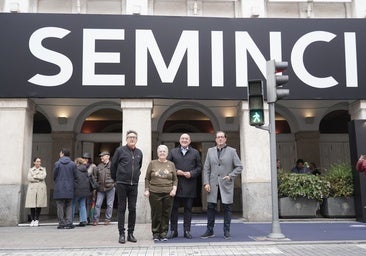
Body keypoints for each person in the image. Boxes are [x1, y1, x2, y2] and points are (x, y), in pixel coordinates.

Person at [201, 131, 243, 239]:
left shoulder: (232, 151)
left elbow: (239, 166)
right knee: (211, 208)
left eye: (222, 137)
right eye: (218, 137)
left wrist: (231, 175)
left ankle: (226, 231)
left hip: (226, 184)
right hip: (213, 185)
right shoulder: (210, 151)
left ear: (225, 139)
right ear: (215, 139)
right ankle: (210, 231)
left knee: (227, 208)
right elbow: (206, 168)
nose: (220, 139)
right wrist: (206, 182)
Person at [167, 133, 202, 239]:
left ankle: (187, 231)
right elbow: (168, 166)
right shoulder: (173, 152)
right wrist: (177, 171)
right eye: (183, 138)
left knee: (188, 209)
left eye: (186, 139)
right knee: (174, 209)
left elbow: (199, 168)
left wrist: (191, 173)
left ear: (190, 141)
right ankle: (173, 231)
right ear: (179, 140)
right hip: (175, 185)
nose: (184, 140)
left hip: (190, 185)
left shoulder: (195, 153)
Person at [111, 130, 143, 244]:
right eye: (130, 137)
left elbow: (139, 167)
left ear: (136, 139)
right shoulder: (120, 150)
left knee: (132, 209)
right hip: (121, 184)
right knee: (121, 209)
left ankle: (130, 233)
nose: (132, 139)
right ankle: (121, 234)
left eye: (134, 137)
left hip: (133, 184)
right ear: (126, 139)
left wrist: (136, 178)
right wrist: (115, 180)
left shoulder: (139, 152)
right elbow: (113, 166)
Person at [144, 145, 178, 241]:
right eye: (160, 151)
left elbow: (175, 179)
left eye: (164, 151)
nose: (162, 153)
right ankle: (155, 233)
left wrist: (174, 189)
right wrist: (146, 189)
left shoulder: (171, 164)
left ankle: (163, 233)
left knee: (166, 214)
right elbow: (147, 178)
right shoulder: (152, 163)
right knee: (156, 214)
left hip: (168, 193)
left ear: (167, 153)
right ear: (157, 153)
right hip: (154, 192)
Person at [53, 148, 77, 229]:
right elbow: (76, 176)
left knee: (60, 205)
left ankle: (61, 223)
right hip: (69, 187)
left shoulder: (57, 163)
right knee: (69, 205)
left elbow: (54, 175)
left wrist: (57, 182)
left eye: (60, 153)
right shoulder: (73, 164)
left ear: (62, 154)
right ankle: (69, 223)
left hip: (59, 187)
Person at [92, 151, 115, 226]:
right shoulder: (99, 166)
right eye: (101, 156)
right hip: (100, 188)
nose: (101, 157)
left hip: (110, 187)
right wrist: (96, 186)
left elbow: (117, 176)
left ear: (108, 156)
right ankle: (96, 220)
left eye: (103, 156)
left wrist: (114, 184)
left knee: (109, 204)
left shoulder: (113, 166)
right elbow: (95, 177)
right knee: (98, 204)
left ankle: (107, 219)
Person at [25, 157, 47, 227]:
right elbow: (29, 178)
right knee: (32, 204)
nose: (39, 163)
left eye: (40, 162)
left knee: (39, 204)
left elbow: (43, 176)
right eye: (37, 161)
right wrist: (37, 179)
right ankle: (32, 220)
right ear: (34, 162)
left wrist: (34, 176)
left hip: (40, 188)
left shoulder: (43, 169)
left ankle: (37, 219)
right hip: (32, 189)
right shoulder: (30, 170)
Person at [72, 157, 91, 227]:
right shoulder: (85, 169)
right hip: (85, 190)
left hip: (77, 190)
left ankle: (70, 220)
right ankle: (83, 221)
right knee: (82, 205)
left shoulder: (76, 170)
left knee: (73, 204)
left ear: (77, 163)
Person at [82, 152, 97, 225]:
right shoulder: (81, 166)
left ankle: (88, 217)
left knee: (89, 203)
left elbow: (95, 177)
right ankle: (84, 218)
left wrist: (95, 188)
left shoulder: (93, 166)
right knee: (83, 203)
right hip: (83, 186)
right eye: (84, 158)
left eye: (87, 158)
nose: (85, 159)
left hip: (90, 186)